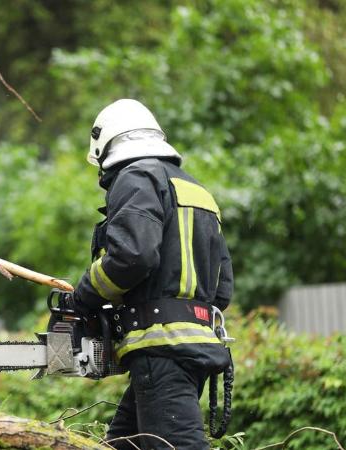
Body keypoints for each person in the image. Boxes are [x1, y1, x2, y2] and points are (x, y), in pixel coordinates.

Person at [73, 99, 233, 450]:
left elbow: (133, 256)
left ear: (105, 146)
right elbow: (222, 289)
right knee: (123, 444)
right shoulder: (197, 191)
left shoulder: (136, 177)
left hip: (161, 348)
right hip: (194, 346)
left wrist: (83, 295)